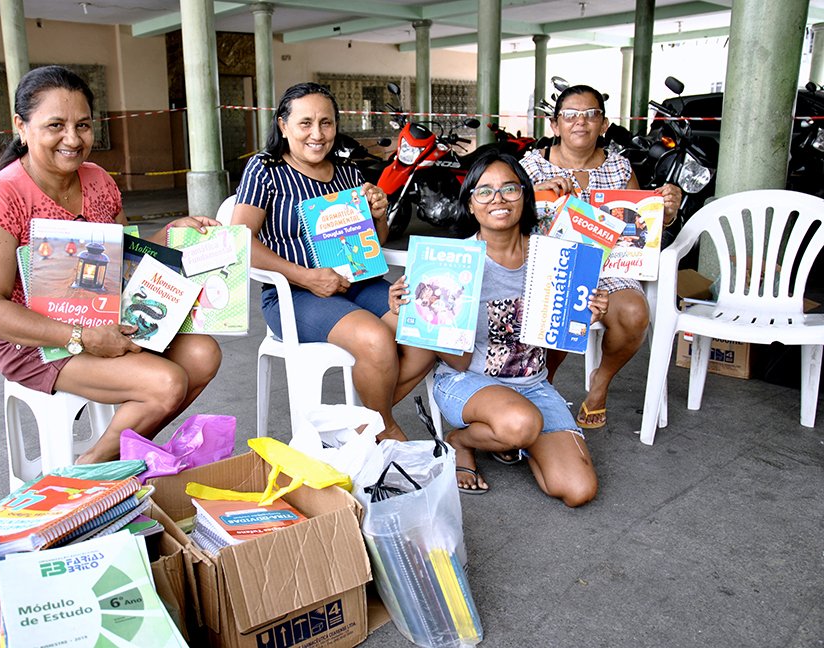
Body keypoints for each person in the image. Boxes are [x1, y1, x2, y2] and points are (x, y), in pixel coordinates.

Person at [0, 65, 222, 464]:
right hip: (35, 342)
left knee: (204, 355)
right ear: (21, 125)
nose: (72, 138)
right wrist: (82, 336)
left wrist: (172, 234)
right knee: (166, 383)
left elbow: (124, 257)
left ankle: (117, 455)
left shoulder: (98, 179)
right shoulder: (0, 196)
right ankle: (88, 475)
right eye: (55, 125)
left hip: (106, 319)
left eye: (82, 125)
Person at [389, 150, 606, 507]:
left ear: (525, 196)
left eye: (510, 188)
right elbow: (457, 362)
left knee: (577, 489)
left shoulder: (554, 256)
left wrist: (588, 314)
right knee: (520, 423)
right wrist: (417, 311)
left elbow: (561, 334)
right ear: (471, 204)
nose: (499, 199)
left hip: (531, 385)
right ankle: (462, 441)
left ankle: (515, 440)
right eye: (484, 191)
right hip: (467, 381)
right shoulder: (449, 263)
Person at [232, 82, 433, 441]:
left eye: (326, 123)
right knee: (375, 340)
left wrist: (380, 214)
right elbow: (239, 240)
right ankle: (383, 430)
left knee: (427, 333)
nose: (317, 133)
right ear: (283, 126)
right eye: (305, 122)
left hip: (359, 284)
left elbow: (375, 242)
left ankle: (365, 424)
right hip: (295, 295)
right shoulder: (265, 170)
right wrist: (306, 277)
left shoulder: (348, 173)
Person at [520, 84, 682, 430]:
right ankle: (541, 385)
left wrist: (666, 211)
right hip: (549, 264)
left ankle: (600, 382)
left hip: (610, 266)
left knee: (636, 314)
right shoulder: (531, 167)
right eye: (570, 115)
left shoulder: (620, 168)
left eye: (591, 114)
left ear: (604, 124)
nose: (581, 122)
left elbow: (641, 222)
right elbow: (504, 211)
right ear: (555, 125)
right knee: (561, 300)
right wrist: (539, 193)